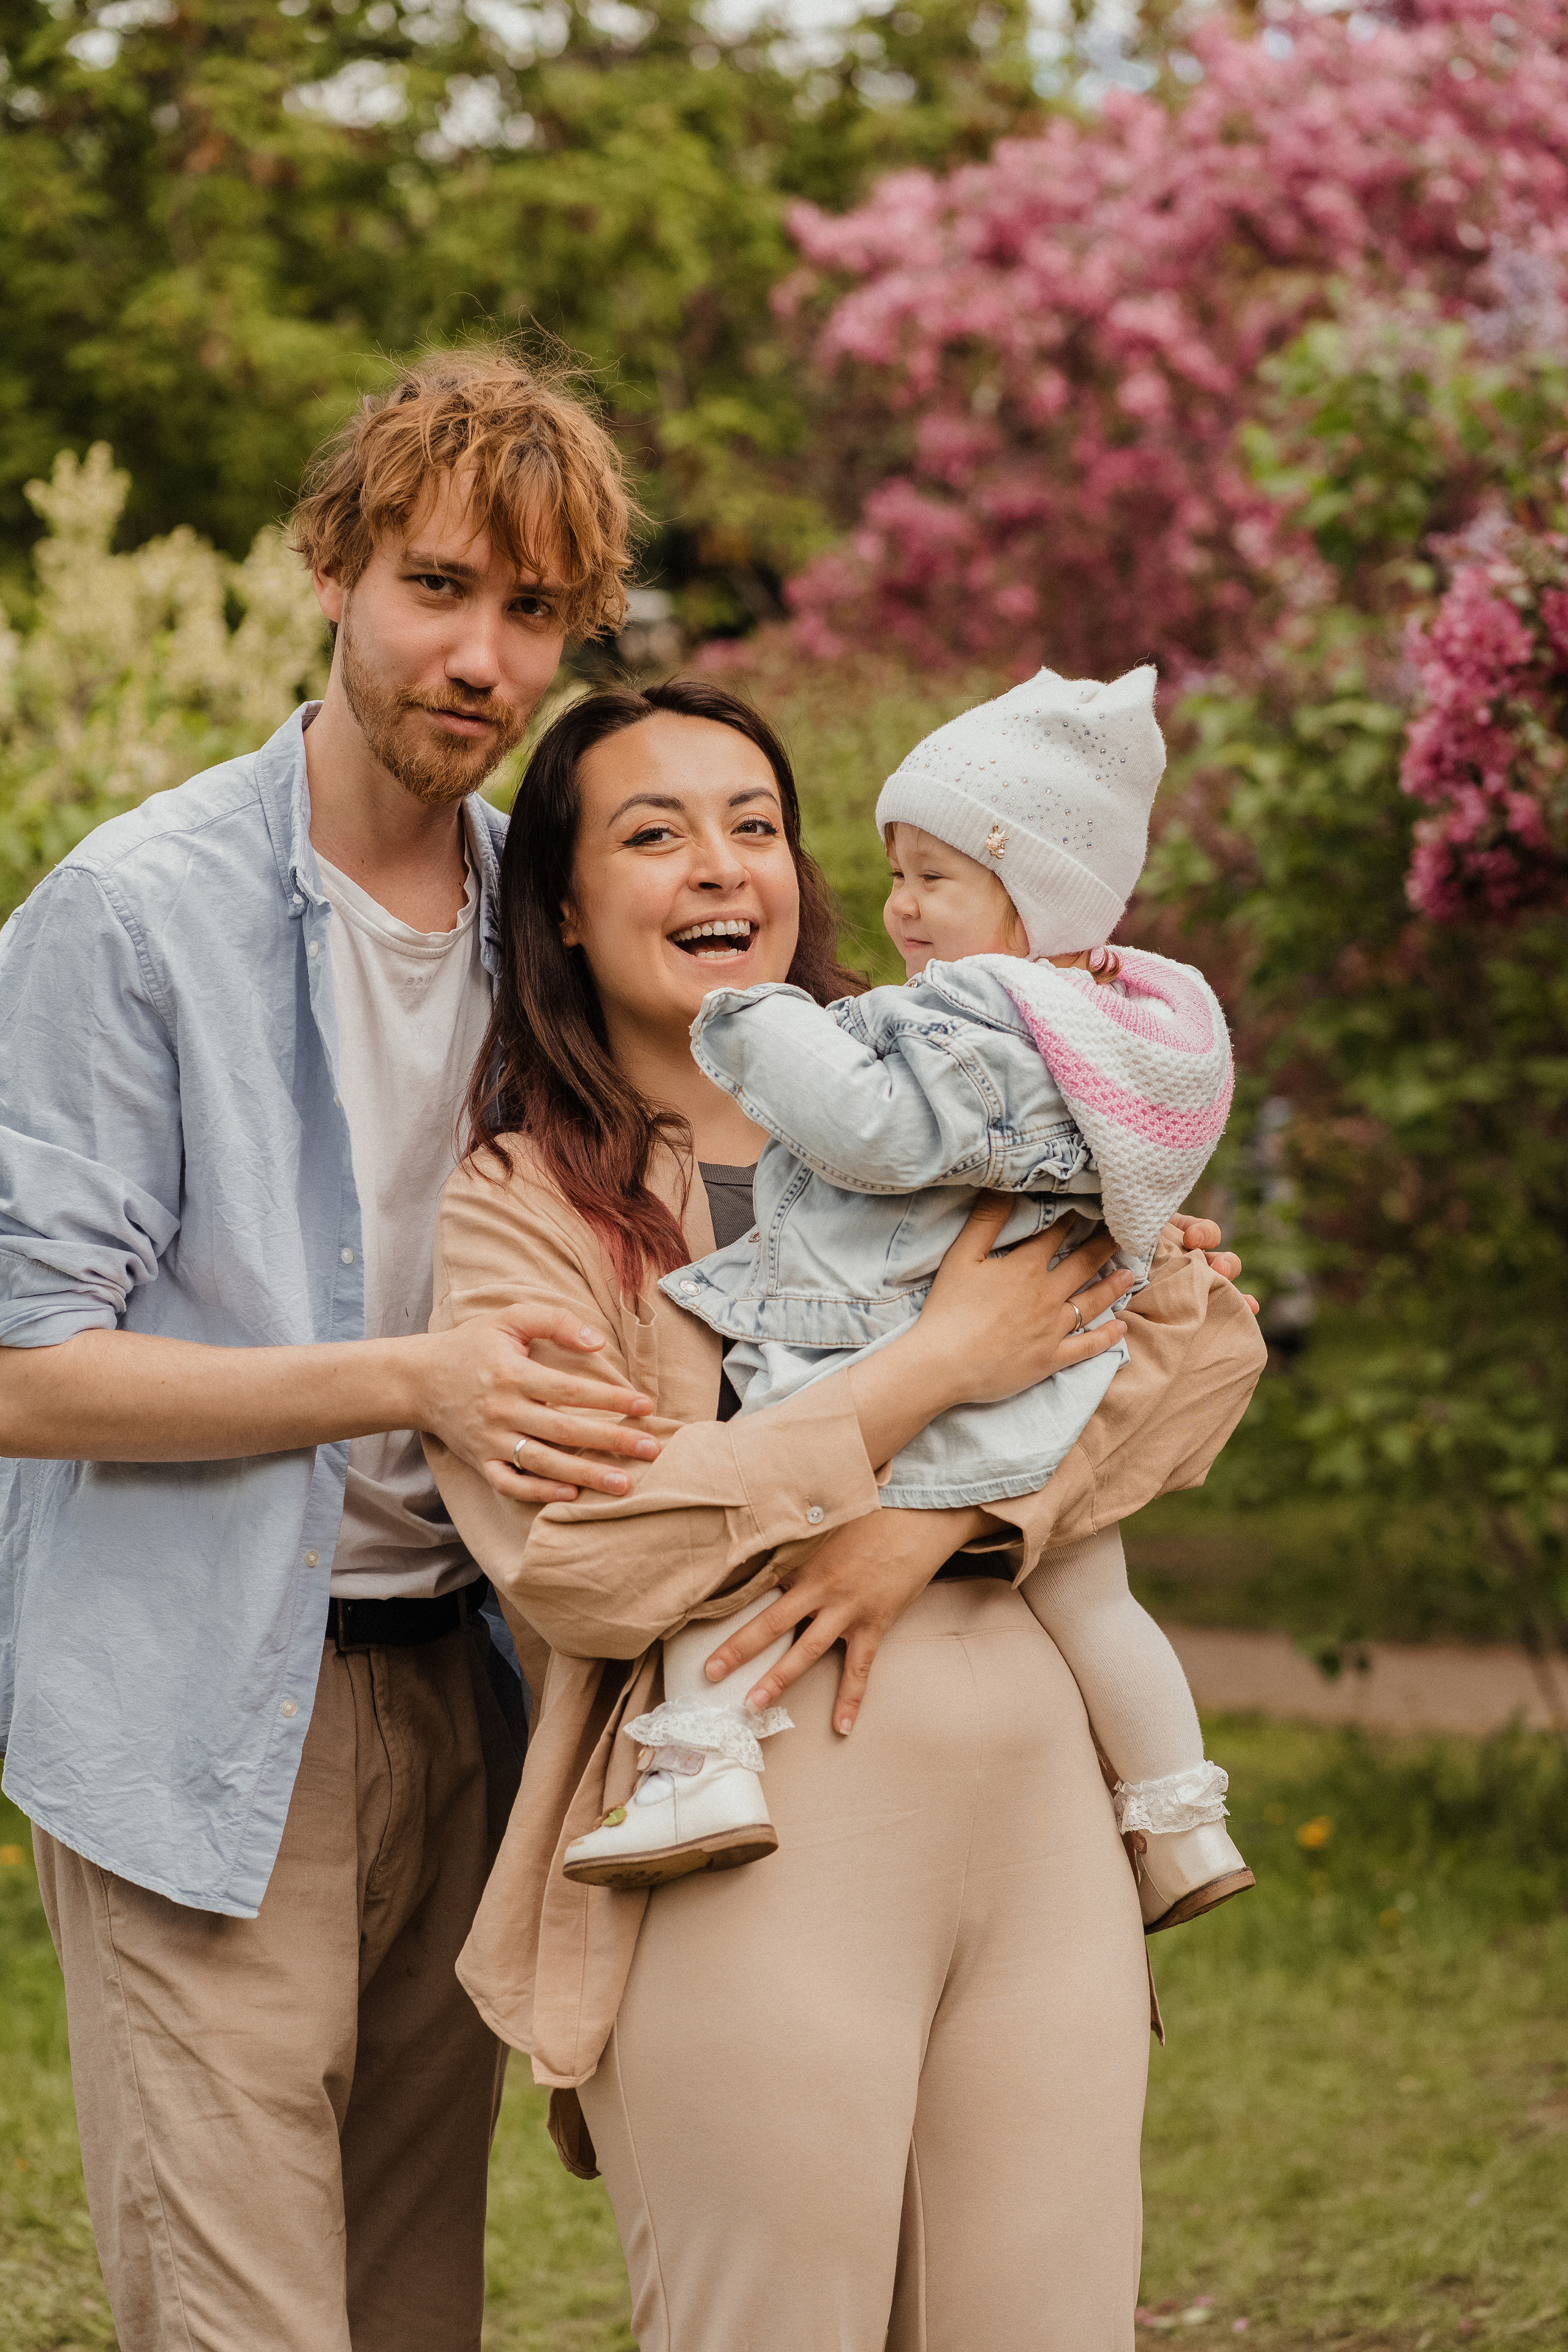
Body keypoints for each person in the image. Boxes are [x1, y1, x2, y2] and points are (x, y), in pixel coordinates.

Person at [423, 676, 1269, 2350]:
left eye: (756, 825)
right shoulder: (527, 1206)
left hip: (1042, 1825)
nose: (723, 866)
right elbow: (589, 1561)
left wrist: (936, 1527)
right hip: (747, 1835)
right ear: (568, 912)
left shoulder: (965, 1069)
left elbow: (1190, 1348)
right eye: (654, 834)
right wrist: (935, 1366)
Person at [0, 348, 661, 2352]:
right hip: (204, 1710)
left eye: (532, 611)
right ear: (334, 566)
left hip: (464, 1696)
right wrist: (416, 1382)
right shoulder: (133, 913)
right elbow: (27, 1370)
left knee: (406, 2312)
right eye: (441, 586)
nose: (481, 653)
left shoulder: (539, 923)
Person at [565, 665, 1256, 1936]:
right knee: (1097, 1600)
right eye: (893, 875)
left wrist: (755, 1022)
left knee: (740, 1535)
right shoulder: (1091, 1034)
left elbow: (873, 1134)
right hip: (1022, 1405)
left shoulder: (968, 1024)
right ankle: (1176, 1815)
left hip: (866, 1360)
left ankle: (699, 1763)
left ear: (1030, 895)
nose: (897, 911)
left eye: (932, 880)